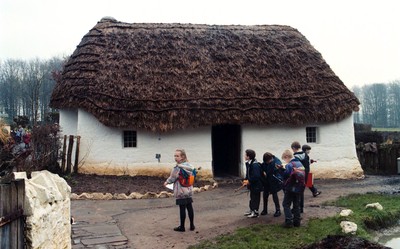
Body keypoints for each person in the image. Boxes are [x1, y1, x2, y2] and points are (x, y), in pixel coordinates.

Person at [163, 149, 195, 232]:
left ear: (182, 157)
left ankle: (182, 227)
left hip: (180, 190)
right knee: (189, 207)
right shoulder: (190, 166)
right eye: (175, 156)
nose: (175, 157)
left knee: (182, 208)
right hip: (188, 189)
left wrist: (166, 182)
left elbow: (172, 178)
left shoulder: (177, 168)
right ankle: (192, 225)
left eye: (177, 156)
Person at [291, 141, 321, 213]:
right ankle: (314, 192)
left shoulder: (295, 156)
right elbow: (306, 162)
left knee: (299, 191)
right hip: (307, 172)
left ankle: (298, 208)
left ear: (293, 148)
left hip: (300, 174)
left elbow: (296, 165)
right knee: (305, 187)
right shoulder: (305, 155)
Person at [280, 149, 305, 228]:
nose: (285, 161)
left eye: (284, 158)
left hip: (291, 187)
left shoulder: (289, 165)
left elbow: (286, 175)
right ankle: (297, 222)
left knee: (286, 204)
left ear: (287, 157)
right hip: (299, 187)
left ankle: (289, 221)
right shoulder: (300, 163)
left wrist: (281, 170)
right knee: (296, 204)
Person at [260, 152, 283, 217]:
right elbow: (263, 167)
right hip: (267, 181)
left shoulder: (276, 161)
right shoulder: (265, 163)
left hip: (274, 180)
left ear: (271, 158)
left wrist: (278, 177)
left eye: (268, 161)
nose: (267, 162)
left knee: (274, 195)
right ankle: (265, 209)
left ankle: (278, 210)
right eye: (266, 161)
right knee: (265, 195)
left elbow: (279, 170)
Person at [243, 149, 263, 218]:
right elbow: (248, 173)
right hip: (252, 185)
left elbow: (256, 176)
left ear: (248, 156)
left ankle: (255, 212)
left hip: (256, 185)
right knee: (252, 198)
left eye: (245, 155)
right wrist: (245, 180)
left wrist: (249, 181)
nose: (244, 156)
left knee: (255, 198)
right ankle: (252, 210)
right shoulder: (249, 163)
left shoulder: (255, 165)